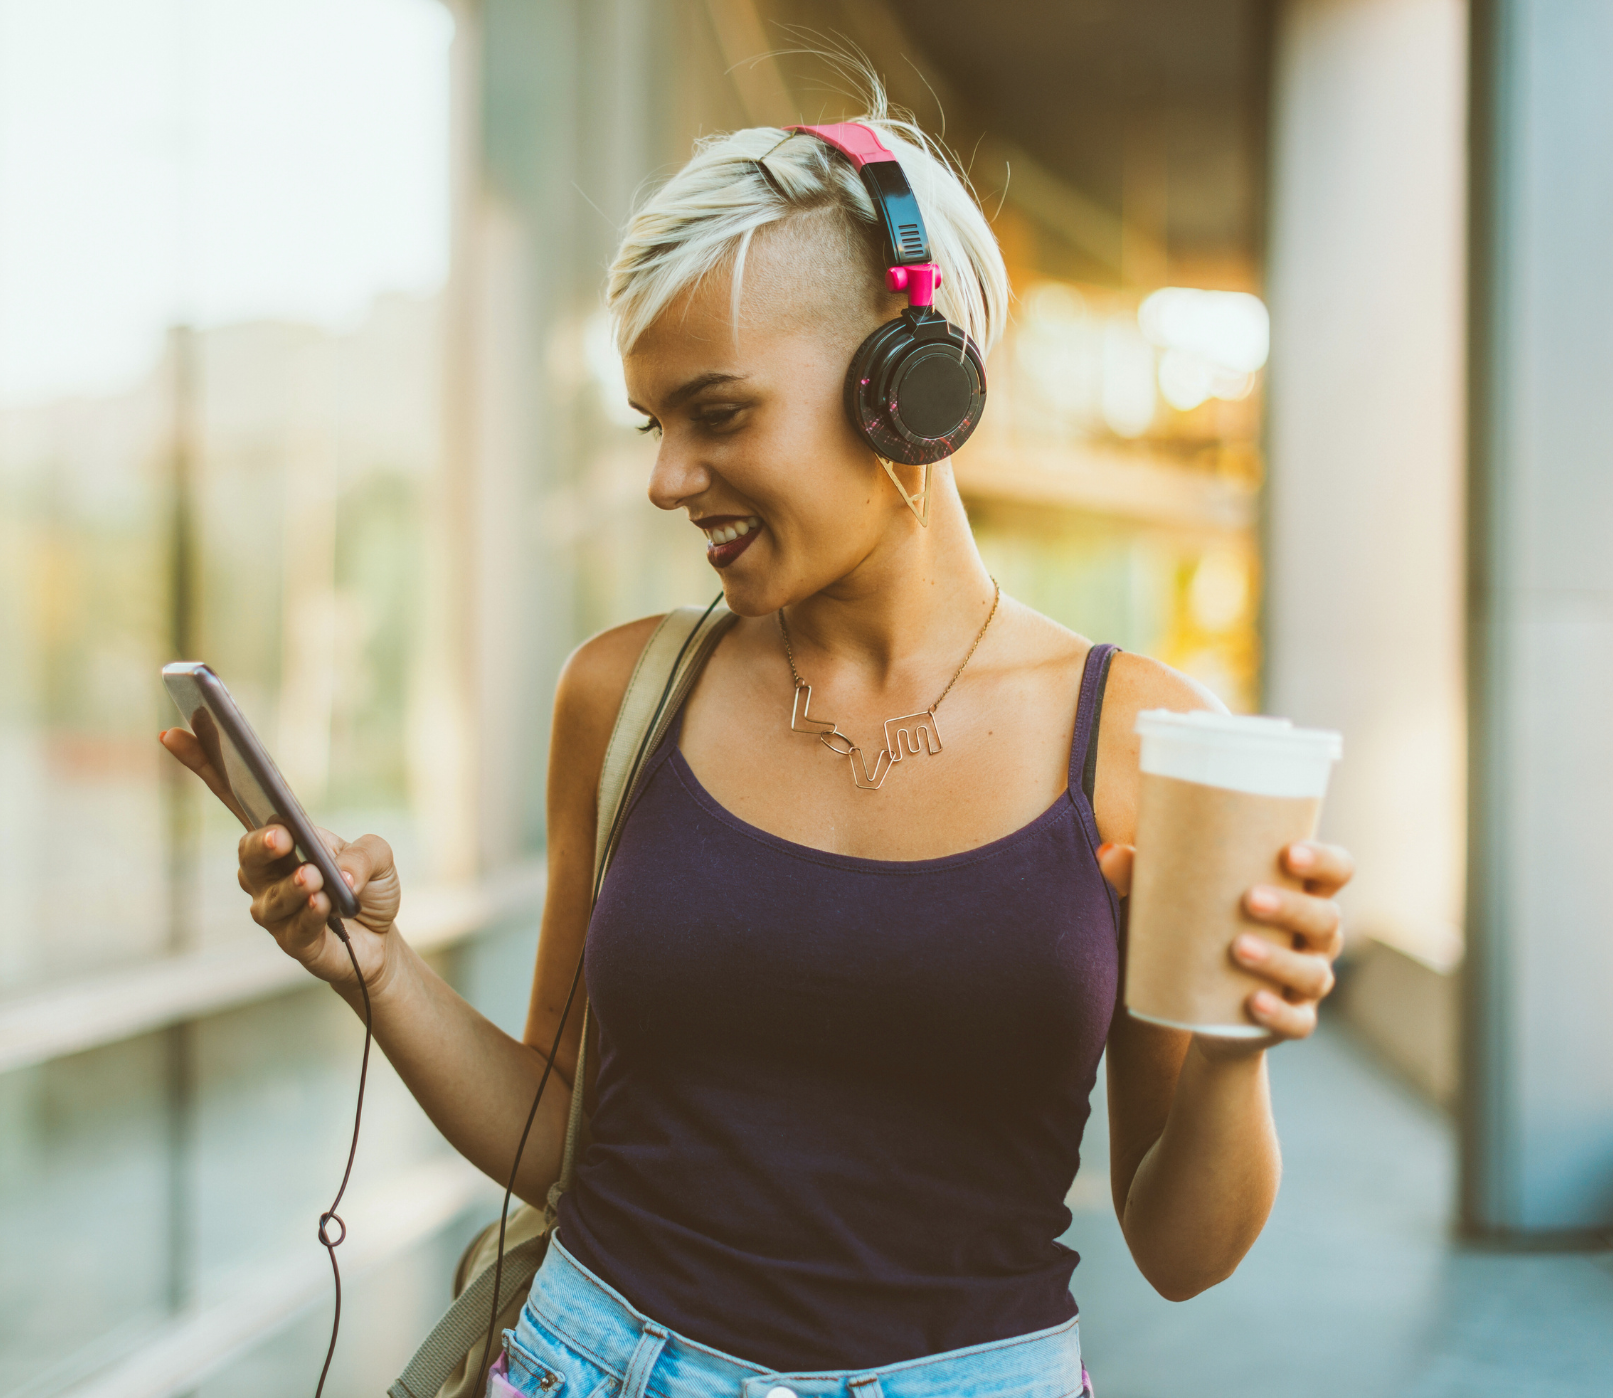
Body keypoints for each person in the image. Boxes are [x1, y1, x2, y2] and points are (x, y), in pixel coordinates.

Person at [164, 97, 1351, 1398]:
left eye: (717, 413)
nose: (668, 478)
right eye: (651, 424)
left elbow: (1182, 1251)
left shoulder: (1139, 740)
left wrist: (1241, 1047)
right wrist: (375, 966)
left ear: (914, 385)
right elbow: (562, 1133)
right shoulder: (622, 696)